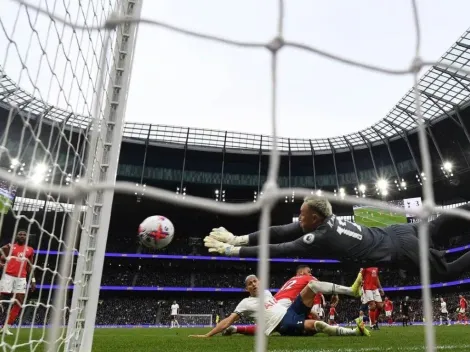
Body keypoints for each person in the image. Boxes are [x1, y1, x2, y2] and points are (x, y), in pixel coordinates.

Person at [204, 196, 470, 279]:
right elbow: (279, 231)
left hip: (401, 248)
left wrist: (230, 252)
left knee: (447, 272)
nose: (298, 218)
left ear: (315, 218)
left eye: (302, 214)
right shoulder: (326, 222)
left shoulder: (319, 238)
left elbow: (279, 248)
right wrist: (238, 239)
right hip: (402, 230)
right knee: (440, 224)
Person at [189, 275, 370, 338]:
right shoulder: (245, 303)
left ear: (259, 282)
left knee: (313, 286)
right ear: (246, 289)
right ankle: (355, 332)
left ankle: (352, 291)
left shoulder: (267, 292)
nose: (253, 284)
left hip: (291, 312)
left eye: (255, 281)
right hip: (285, 325)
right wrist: (208, 334)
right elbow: (228, 319)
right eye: (250, 284)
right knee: (319, 326)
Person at [222, 265, 361, 336]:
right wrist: (336, 293)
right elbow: (317, 285)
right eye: (309, 272)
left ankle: (236, 328)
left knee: (269, 327)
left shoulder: (289, 281)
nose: (311, 274)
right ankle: (351, 291)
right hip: (284, 307)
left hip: (277, 303)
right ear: (301, 273)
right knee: (313, 322)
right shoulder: (305, 278)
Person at [0, 230, 36, 336]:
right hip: (8, 276)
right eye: (20, 234)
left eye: (24, 235)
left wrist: (33, 280)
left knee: (19, 303)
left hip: (21, 278)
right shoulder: (9, 247)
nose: (22, 236)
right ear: (16, 236)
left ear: (27, 237)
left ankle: (6, 327)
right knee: (1, 297)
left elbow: (30, 266)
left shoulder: (30, 250)